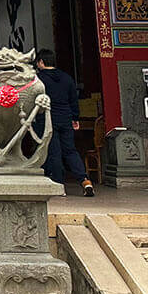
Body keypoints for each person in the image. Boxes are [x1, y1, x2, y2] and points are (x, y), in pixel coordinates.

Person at [35, 49, 94, 196]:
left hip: (48, 119)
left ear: (41, 62)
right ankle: (85, 180)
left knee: (54, 151)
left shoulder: (39, 79)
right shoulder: (67, 78)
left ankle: (58, 184)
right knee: (70, 150)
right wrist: (75, 118)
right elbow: (73, 100)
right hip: (66, 118)